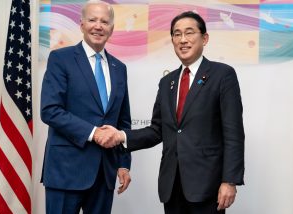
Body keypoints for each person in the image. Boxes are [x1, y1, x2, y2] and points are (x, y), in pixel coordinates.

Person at [98, 11, 245, 214]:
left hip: (207, 186)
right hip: (172, 186)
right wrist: (121, 135)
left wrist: (230, 180)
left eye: (189, 33)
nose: (182, 40)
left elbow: (233, 133)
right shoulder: (168, 82)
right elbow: (157, 130)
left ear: (204, 38)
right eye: (176, 34)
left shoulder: (222, 75)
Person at [40, 1, 131, 213]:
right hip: (65, 171)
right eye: (92, 20)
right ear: (81, 25)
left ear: (111, 29)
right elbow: (50, 110)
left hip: (104, 174)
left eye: (104, 21)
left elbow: (123, 122)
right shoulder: (60, 59)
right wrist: (93, 133)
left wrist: (124, 164)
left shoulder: (120, 68)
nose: (98, 26)